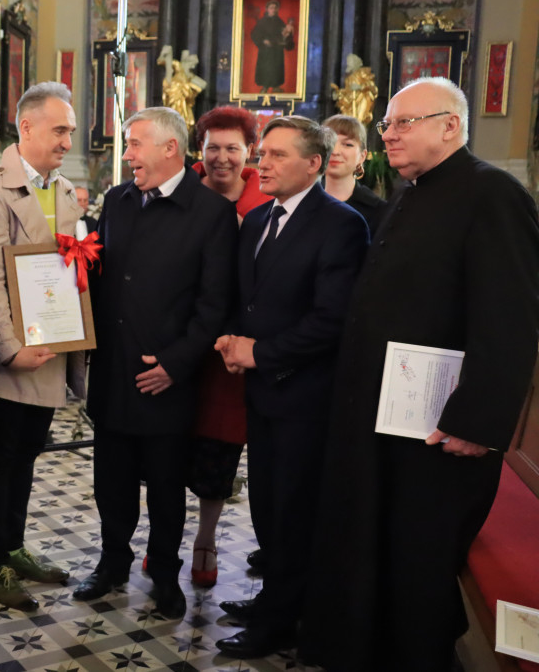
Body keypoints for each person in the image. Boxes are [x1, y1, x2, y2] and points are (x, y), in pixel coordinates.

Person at [302, 78, 539, 672]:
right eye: (387, 123)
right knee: (372, 547)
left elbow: (509, 319)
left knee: (417, 562)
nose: (387, 133)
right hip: (385, 419)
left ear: (450, 127)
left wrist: (476, 421)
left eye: (403, 122)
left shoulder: (492, 194)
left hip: (441, 432)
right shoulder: (413, 192)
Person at [214, 116, 369, 659]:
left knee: (293, 511)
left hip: (306, 397)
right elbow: (251, 300)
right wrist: (237, 342)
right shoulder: (257, 220)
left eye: (278, 155)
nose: (263, 164)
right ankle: (273, 599)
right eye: (265, 153)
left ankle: (280, 622)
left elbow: (333, 319)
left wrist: (261, 353)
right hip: (262, 392)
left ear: (314, 163)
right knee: (266, 506)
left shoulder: (341, 224)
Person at [73, 107, 237, 619]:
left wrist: (175, 364)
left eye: (135, 144)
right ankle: (112, 563)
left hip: (166, 380)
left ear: (170, 149)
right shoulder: (118, 202)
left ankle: (165, 574)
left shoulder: (210, 213)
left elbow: (214, 305)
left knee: (167, 487)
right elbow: (98, 277)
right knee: (111, 482)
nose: (126, 155)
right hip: (113, 373)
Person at [0, 81, 86, 611]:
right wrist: (10, 347)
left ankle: (14, 546)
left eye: (72, 132)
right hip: (13, 354)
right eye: (59, 130)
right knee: (1, 457)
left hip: (52, 348)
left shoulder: (63, 190)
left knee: (29, 457)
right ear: (28, 126)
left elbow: (68, 267)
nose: (67, 141)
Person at [183, 106, 273, 585]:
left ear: (250, 152)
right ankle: (162, 541)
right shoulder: (179, 191)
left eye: (232, 149)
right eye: (212, 147)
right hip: (179, 347)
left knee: (218, 451)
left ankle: (206, 538)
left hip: (231, 355)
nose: (221, 158)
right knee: (168, 449)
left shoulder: (265, 201)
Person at [322, 114, 388, 237]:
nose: (335, 151)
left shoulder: (378, 210)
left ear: (362, 156)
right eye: (329, 142)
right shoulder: (302, 202)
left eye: (347, 144)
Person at [250, 0, 294, 94]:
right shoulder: (262, 22)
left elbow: (284, 35)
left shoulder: (279, 21)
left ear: (277, 9)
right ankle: (265, 88)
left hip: (277, 50)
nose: (273, 10)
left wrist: (287, 34)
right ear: (267, 9)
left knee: (277, 68)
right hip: (266, 51)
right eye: (271, 8)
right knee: (266, 68)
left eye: (275, 8)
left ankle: (276, 87)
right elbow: (254, 34)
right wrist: (263, 41)